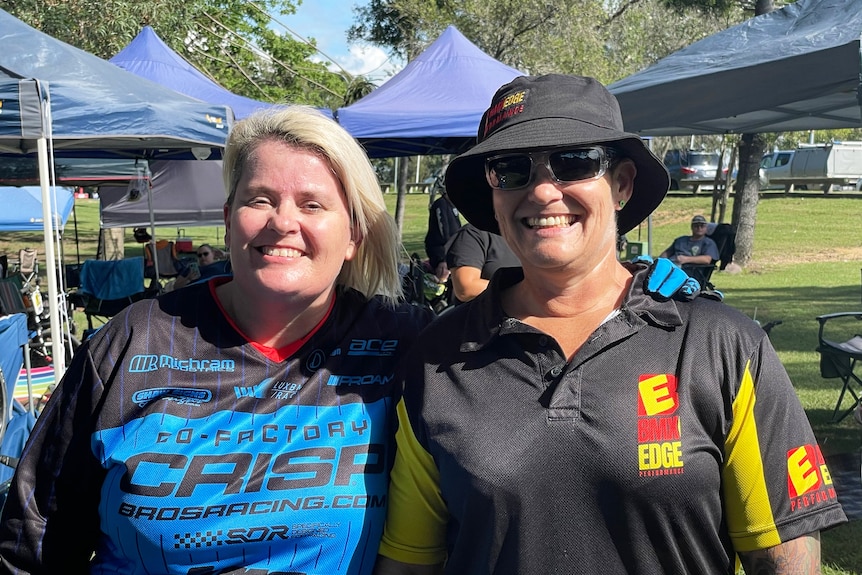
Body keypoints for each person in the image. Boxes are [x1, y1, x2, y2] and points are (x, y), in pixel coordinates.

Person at [374, 74, 846, 575]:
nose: (542, 190)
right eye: (511, 169)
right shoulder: (438, 356)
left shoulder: (721, 344)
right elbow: (410, 561)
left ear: (620, 184)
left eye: (573, 162)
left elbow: (784, 558)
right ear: (492, 195)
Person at [0, 106, 435, 575]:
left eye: (312, 204)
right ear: (229, 219)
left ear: (354, 234)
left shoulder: (407, 343)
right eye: (260, 199)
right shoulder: (133, 340)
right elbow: (34, 537)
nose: (283, 222)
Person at [446, 222, 519, 303]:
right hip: (488, 313)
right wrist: (521, 291)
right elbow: (466, 288)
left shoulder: (527, 235)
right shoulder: (473, 233)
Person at [423, 185, 462, 282]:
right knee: (442, 276)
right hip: (440, 250)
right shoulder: (440, 204)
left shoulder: (452, 206)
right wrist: (444, 256)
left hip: (451, 249)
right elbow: (442, 228)